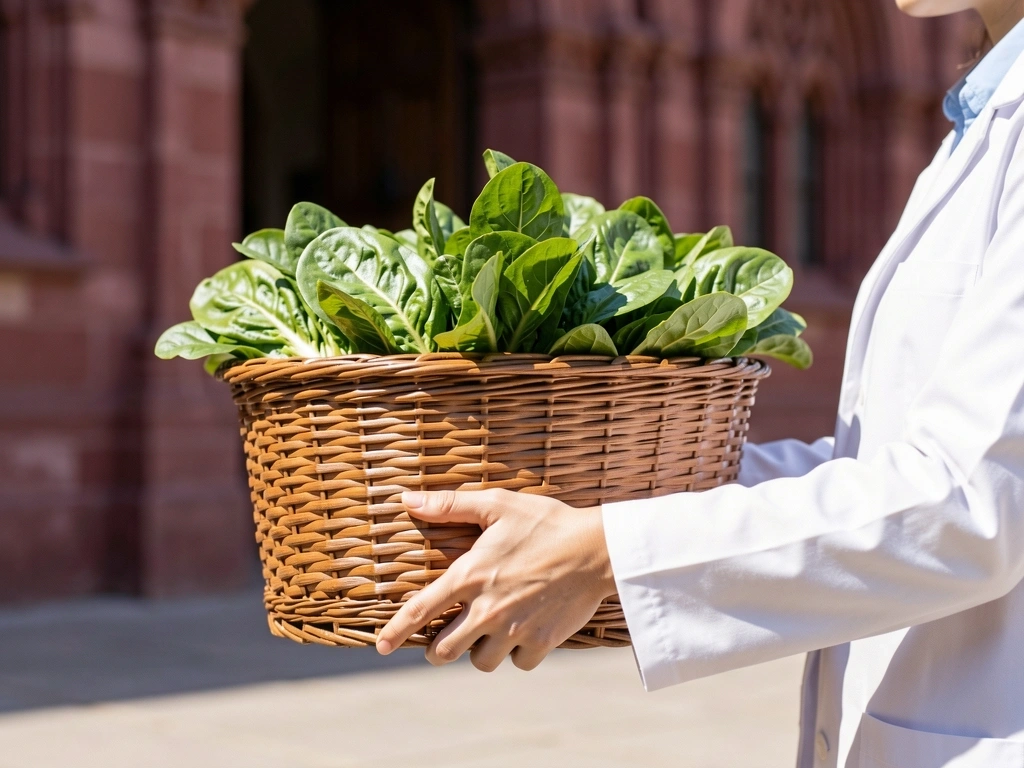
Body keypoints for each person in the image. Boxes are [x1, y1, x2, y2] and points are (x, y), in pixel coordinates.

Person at [377, 1, 1024, 765]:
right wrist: (611, 482)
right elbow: (886, 462)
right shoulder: (982, 120)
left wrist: (608, 552)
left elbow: (974, 502)